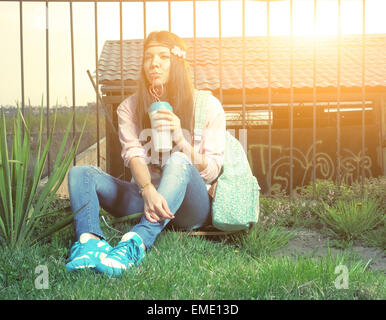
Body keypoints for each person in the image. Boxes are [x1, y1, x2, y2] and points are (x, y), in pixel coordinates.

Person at [65, 31, 226, 276]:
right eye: (148, 57)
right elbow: (134, 155)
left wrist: (180, 139)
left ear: (178, 64)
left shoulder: (207, 106)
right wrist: (148, 189)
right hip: (146, 199)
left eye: (163, 56)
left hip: (190, 206)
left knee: (180, 160)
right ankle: (89, 243)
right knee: (81, 173)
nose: (154, 63)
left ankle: (136, 241)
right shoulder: (129, 107)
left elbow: (212, 170)